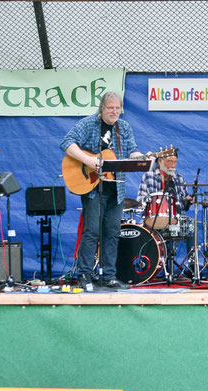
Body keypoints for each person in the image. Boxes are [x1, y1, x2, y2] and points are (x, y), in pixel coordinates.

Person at [60, 91, 150, 290]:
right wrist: (89, 161)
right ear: (102, 108)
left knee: (112, 232)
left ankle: (109, 276)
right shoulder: (89, 123)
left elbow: (132, 151)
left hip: (116, 188)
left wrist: (143, 157)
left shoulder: (124, 127)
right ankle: (84, 275)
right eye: (110, 108)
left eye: (118, 108)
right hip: (93, 188)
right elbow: (67, 143)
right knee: (91, 231)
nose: (114, 111)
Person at [136, 150, 193, 220]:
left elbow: (184, 207)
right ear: (160, 161)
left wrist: (189, 201)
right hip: (153, 221)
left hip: (176, 222)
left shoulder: (179, 178)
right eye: (170, 162)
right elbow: (140, 201)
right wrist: (156, 197)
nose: (173, 166)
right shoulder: (149, 176)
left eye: (175, 162)